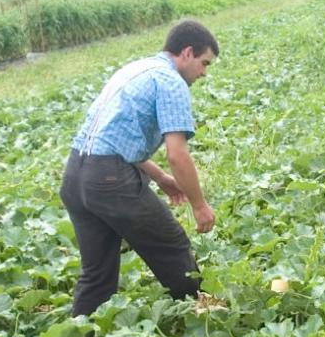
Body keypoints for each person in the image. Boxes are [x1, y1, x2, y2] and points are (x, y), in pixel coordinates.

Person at [59, 19, 219, 317]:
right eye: (204, 63)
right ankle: (204, 315)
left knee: (97, 272)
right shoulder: (171, 82)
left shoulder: (134, 70)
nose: (204, 73)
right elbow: (178, 154)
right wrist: (199, 205)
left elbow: (114, 137)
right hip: (109, 180)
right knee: (171, 244)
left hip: (75, 176)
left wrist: (158, 177)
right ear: (187, 52)